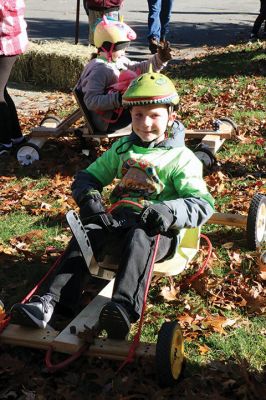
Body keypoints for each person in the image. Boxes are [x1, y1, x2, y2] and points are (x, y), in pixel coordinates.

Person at [11, 69, 215, 340]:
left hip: (158, 230)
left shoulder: (182, 158)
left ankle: (123, 307)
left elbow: (202, 203)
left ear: (171, 116)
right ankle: (49, 302)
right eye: (138, 116)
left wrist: (167, 211)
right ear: (130, 116)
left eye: (154, 115)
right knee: (90, 232)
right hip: (119, 221)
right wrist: (90, 200)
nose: (145, 123)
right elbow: (88, 177)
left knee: (141, 236)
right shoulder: (122, 150)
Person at [75, 16, 173, 134]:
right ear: (108, 47)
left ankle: (161, 123)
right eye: (122, 49)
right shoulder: (99, 70)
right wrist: (120, 98)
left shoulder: (118, 61)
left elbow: (140, 68)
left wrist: (160, 59)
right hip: (108, 120)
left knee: (149, 100)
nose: (124, 52)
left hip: (118, 112)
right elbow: (91, 101)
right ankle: (150, 132)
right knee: (144, 105)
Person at [0, 0, 28, 157]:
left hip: (7, 45)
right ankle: (16, 137)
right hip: (6, 42)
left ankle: (4, 142)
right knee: (2, 90)